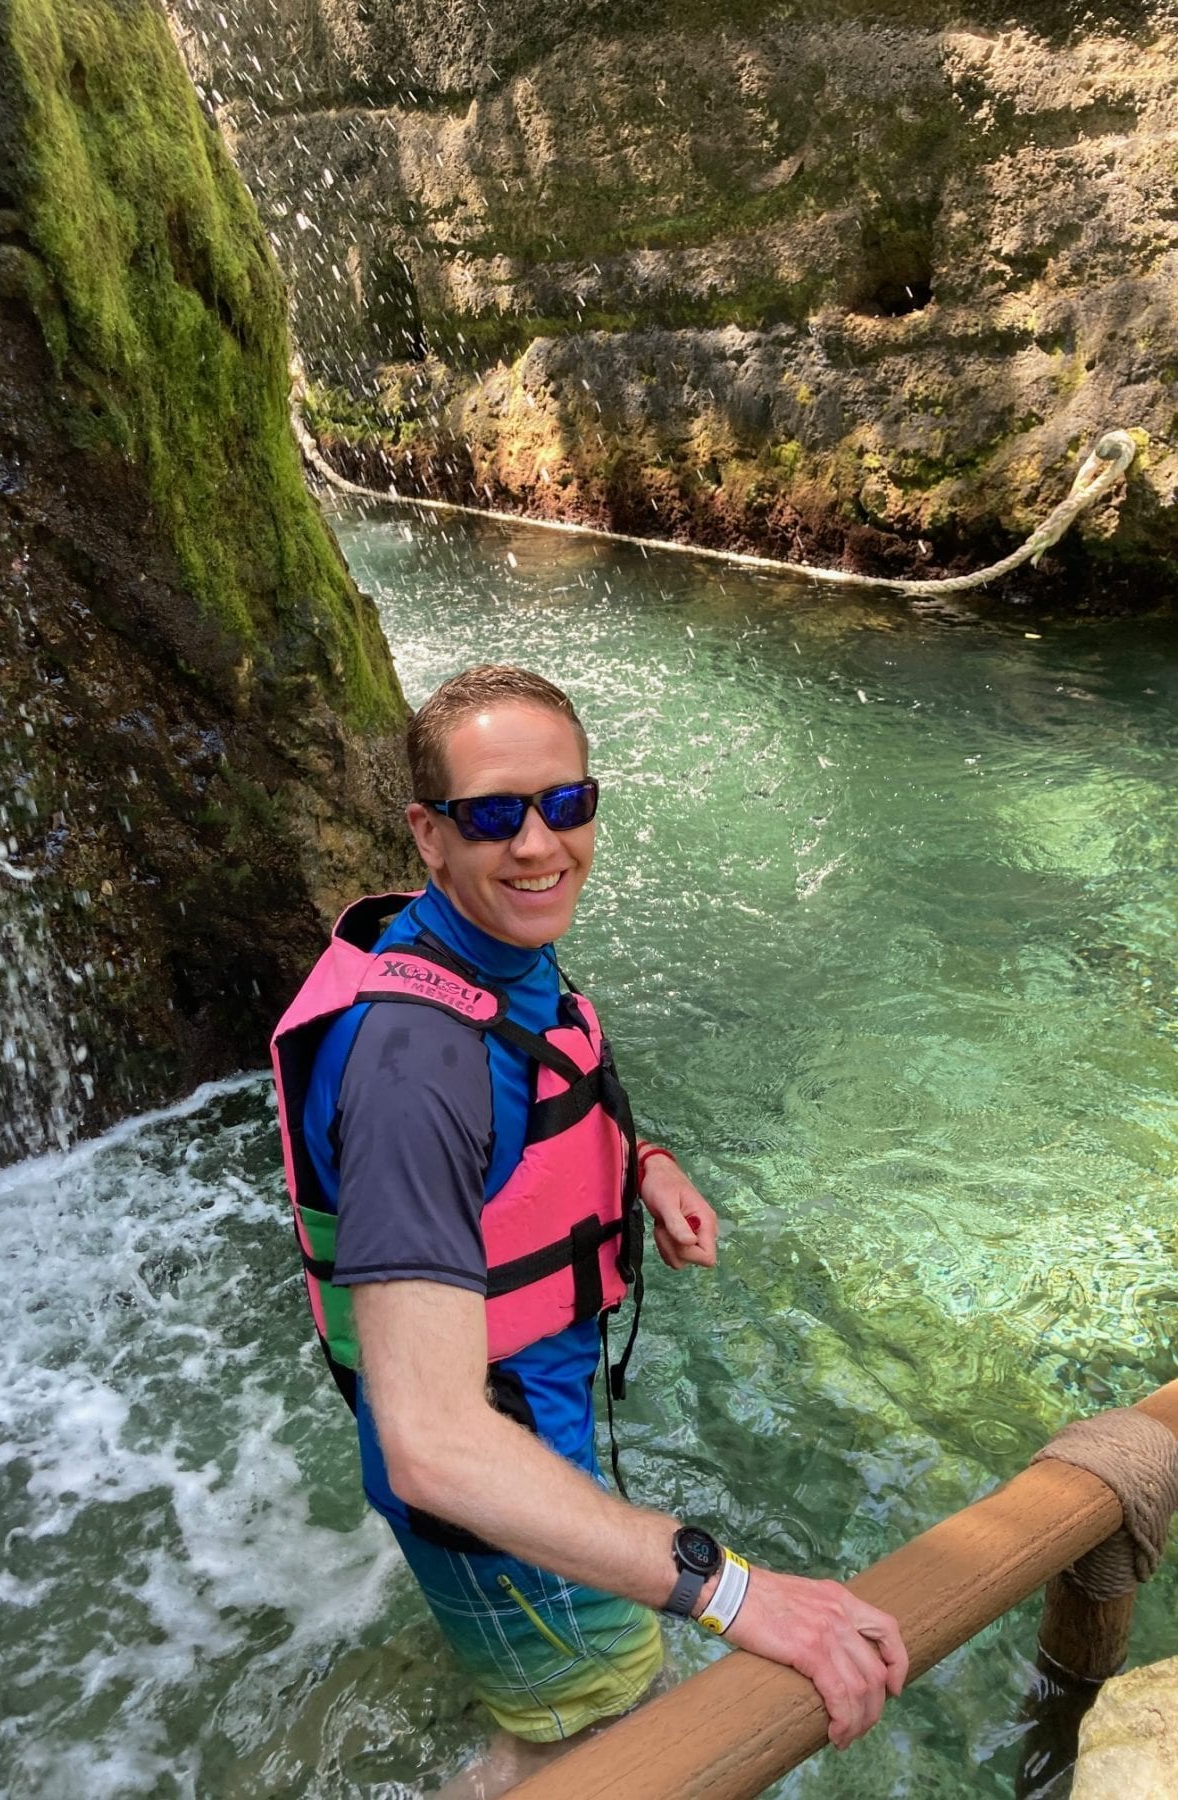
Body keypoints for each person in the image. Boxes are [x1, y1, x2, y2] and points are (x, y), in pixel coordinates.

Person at [270, 665, 907, 1793]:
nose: (537, 844)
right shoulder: (414, 1069)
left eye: (566, 804)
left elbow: (533, 1104)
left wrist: (646, 1165)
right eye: (493, 815)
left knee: (568, 1710)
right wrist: (737, 1592)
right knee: (594, 1743)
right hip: (488, 1487)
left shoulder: (489, 951)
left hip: (527, 1436)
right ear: (428, 834)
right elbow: (432, 1441)